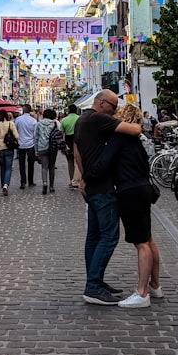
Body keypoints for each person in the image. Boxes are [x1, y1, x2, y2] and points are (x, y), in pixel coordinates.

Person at [84, 103, 162, 308]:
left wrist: (87, 177)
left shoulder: (119, 138)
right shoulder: (137, 140)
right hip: (143, 188)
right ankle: (154, 285)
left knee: (141, 243)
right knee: (148, 238)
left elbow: (105, 164)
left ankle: (142, 292)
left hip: (130, 191)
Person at [74, 89, 143, 306]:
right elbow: (133, 130)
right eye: (113, 107)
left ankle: (95, 281)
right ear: (102, 103)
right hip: (103, 187)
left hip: (92, 185)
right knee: (108, 237)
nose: (114, 112)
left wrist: (83, 177)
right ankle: (93, 285)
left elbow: (76, 152)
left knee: (94, 236)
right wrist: (138, 123)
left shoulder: (81, 120)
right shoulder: (98, 119)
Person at [0, 111, 19, 196]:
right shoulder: (11, 124)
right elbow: (17, 136)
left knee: (2, 167)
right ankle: (5, 185)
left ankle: (3, 184)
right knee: (8, 168)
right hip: (9, 148)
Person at [34, 108, 60, 195]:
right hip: (52, 147)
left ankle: (45, 183)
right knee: (51, 167)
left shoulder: (39, 124)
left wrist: (36, 149)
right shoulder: (54, 123)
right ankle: (51, 186)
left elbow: (36, 137)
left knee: (44, 167)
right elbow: (58, 134)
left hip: (42, 147)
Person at [14, 105, 38, 189]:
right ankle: (30, 181)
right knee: (31, 163)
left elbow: (15, 131)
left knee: (21, 164)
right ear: (30, 111)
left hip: (21, 144)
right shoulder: (33, 121)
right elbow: (35, 134)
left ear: (23, 110)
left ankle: (23, 181)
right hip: (31, 144)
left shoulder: (18, 119)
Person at [60, 104, 81, 188]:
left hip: (68, 141)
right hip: (78, 140)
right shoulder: (79, 118)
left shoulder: (64, 120)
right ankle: (78, 180)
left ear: (68, 110)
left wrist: (62, 146)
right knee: (78, 161)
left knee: (70, 162)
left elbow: (61, 133)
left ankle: (71, 180)